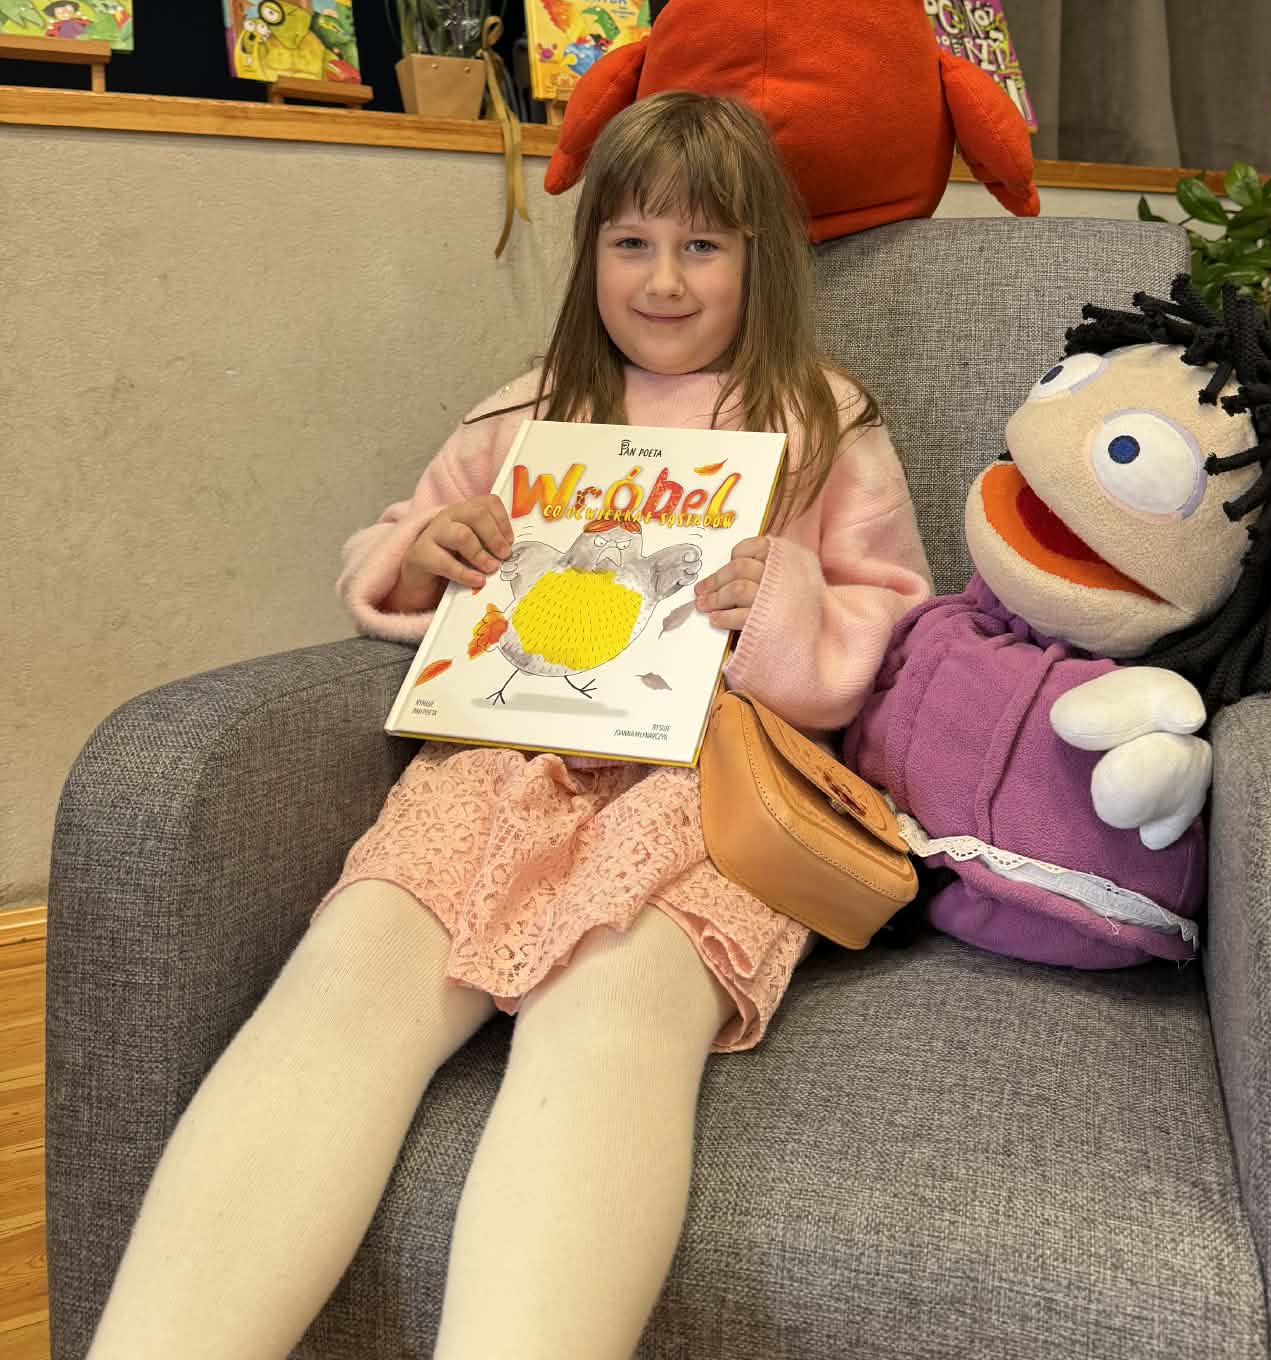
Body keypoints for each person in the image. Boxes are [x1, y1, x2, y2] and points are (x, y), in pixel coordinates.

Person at [87, 89, 931, 1360]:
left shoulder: (825, 420)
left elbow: (896, 615)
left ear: (760, 257)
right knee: (346, 980)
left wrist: (790, 599)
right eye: (631, 241)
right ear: (590, 253)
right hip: (498, 764)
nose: (663, 279)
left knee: (609, 1015)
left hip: (705, 792)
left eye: (702, 245)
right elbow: (390, 547)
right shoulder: (526, 411)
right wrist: (428, 548)